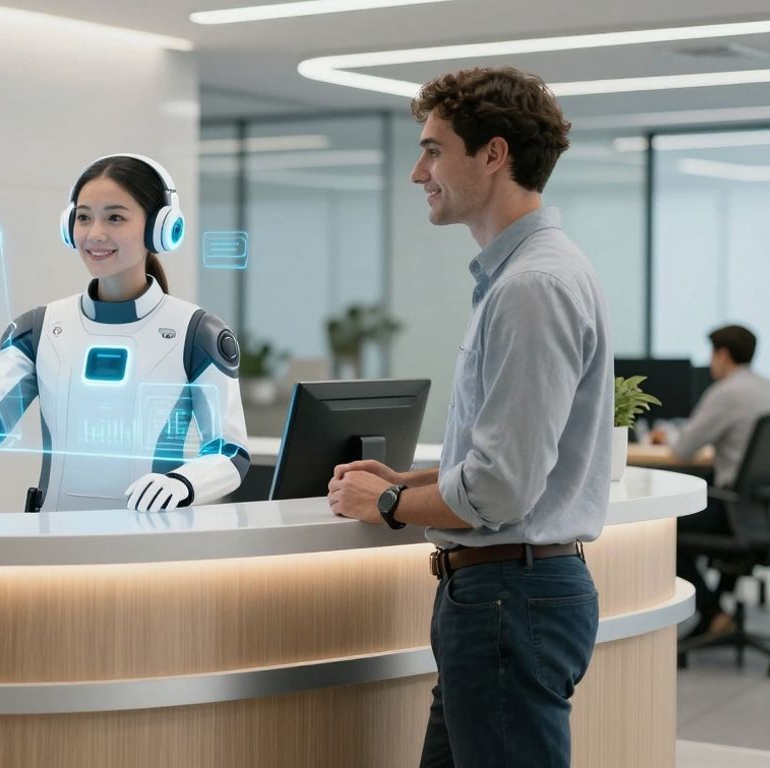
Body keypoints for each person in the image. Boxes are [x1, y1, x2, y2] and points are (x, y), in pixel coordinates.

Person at [326, 68, 611, 768]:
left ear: (493, 154)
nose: (418, 172)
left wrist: (390, 502)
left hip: (508, 597)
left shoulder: (531, 286)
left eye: (433, 149)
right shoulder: (522, 277)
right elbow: (513, 461)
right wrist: (414, 478)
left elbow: (503, 490)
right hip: (498, 598)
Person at [0, 153, 249, 512]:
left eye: (115, 217)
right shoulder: (38, 330)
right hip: (53, 551)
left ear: (160, 227)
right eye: (84, 217)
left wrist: (183, 483)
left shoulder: (196, 334)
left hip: (149, 552)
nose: (95, 234)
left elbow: (230, 452)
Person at [653, 324, 770, 637]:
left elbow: (682, 449)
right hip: (761, 512)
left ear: (723, 354)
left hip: (734, 512)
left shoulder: (726, 392)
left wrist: (666, 436)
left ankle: (712, 612)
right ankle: (716, 611)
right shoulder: (765, 387)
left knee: (663, 528)